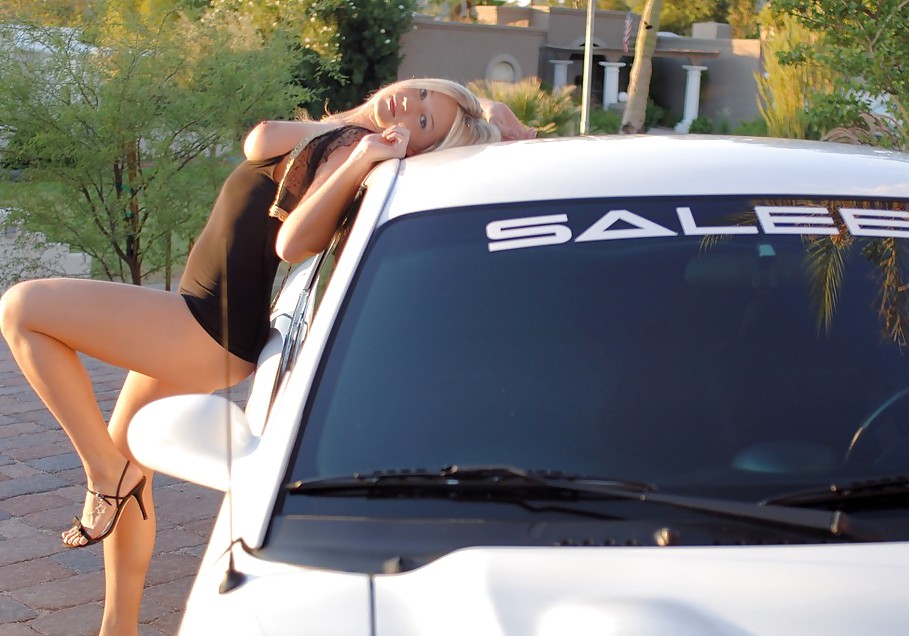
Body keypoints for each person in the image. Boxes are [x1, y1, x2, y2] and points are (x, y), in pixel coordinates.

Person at [0, 77, 521, 636]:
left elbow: (294, 243)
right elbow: (261, 140)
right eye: (417, 93)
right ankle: (118, 625)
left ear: (414, 147)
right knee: (136, 463)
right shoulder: (343, 133)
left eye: (423, 123)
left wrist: (366, 151)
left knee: (22, 306)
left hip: (205, 327)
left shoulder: (352, 152)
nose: (409, 106)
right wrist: (386, 121)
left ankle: (103, 473)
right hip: (200, 317)